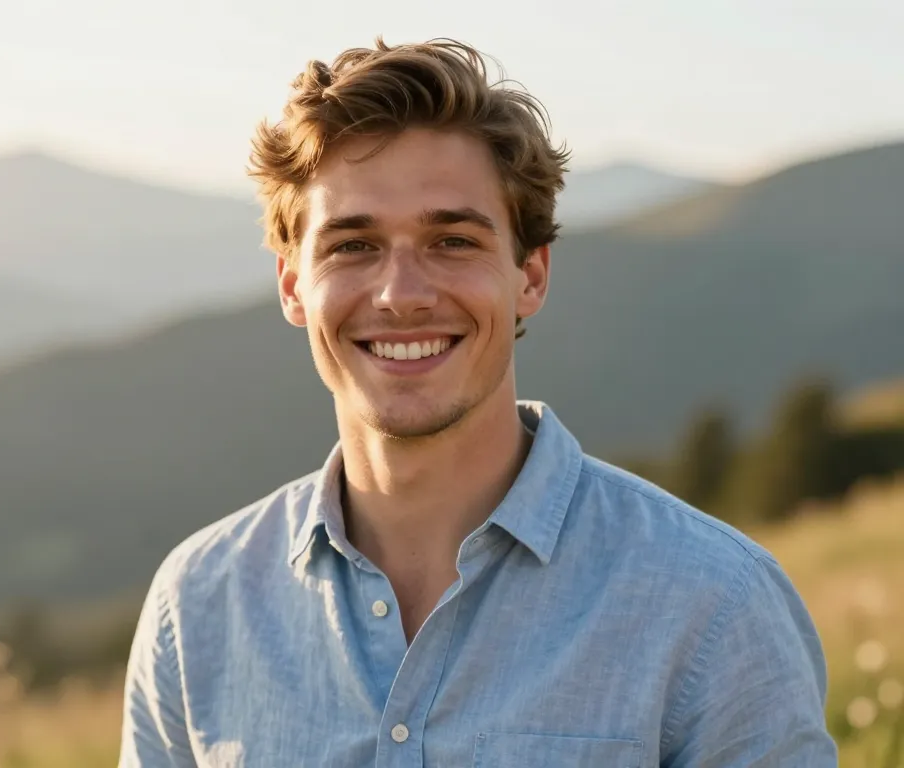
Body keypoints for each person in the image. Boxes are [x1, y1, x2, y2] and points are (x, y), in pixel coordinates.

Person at [118, 38, 837, 767]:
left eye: (452, 240)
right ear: (293, 285)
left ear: (529, 275)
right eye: (352, 246)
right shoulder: (199, 608)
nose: (402, 294)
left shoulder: (714, 606)